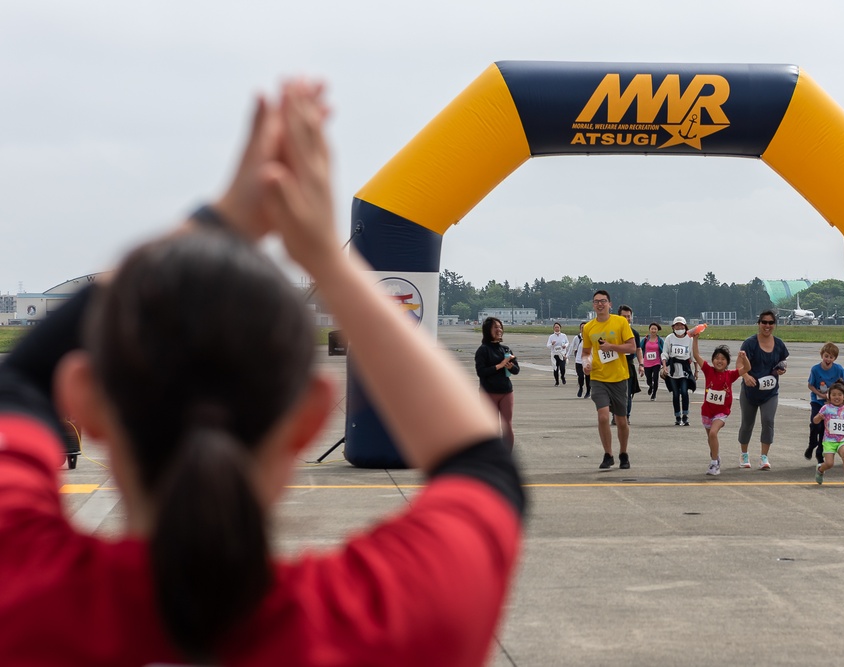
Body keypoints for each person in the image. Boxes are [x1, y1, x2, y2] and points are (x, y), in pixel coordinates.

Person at [0, 81, 524, 667]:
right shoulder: (383, 621)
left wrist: (221, 217)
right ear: (309, 418)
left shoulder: (23, 588)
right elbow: (482, 465)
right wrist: (328, 256)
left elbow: (16, 386)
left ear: (85, 401)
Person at [582, 290, 636, 470]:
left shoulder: (620, 322)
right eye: (596, 301)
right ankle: (608, 454)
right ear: (593, 305)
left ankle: (623, 453)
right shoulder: (589, 327)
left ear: (610, 304)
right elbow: (586, 353)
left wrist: (611, 346)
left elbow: (632, 347)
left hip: (619, 377)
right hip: (598, 377)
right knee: (603, 416)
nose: (600, 304)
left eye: (603, 301)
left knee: (621, 420)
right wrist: (586, 363)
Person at [738, 309, 790, 470]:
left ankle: (764, 457)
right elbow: (739, 365)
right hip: (750, 391)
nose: (767, 326)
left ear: (774, 325)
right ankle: (744, 454)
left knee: (768, 421)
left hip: (770, 392)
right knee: (747, 423)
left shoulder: (779, 344)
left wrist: (782, 369)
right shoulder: (749, 343)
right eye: (764, 322)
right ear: (759, 324)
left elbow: (783, 361)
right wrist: (746, 376)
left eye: (771, 323)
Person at [692, 333, 749, 476]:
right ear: (712, 360)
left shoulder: (730, 375)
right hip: (707, 411)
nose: (719, 361)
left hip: (721, 412)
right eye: (717, 358)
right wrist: (695, 339)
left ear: (727, 362)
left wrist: (744, 358)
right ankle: (715, 456)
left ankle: (714, 463)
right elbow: (696, 355)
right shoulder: (708, 370)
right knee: (710, 438)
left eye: (723, 359)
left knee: (713, 432)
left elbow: (747, 369)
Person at [475, 317, 520, 449]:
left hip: (506, 392)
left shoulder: (506, 350)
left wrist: (510, 366)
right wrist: (500, 365)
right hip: (489, 392)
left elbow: (517, 370)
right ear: (488, 330)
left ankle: (506, 457)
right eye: (495, 327)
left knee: (507, 426)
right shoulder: (483, 350)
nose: (499, 330)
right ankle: (492, 457)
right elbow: (481, 372)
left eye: (500, 327)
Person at [805, 342, 844, 460]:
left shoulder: (838, 369)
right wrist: (820, 394)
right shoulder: (815, 369)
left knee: (826, 428)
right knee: (816, 424)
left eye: (831, 357)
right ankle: (812, 444)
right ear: (822, 355)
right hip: (818, 401)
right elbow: (810, 385)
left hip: (832, 404)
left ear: (834, 358)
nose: (828, 359)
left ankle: (820, 452)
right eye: (826, 356)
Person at [662, 316, 699, 426]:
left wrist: (696, 371)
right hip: (673, 370)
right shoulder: (669, 338)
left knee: (684, 391)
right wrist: (664, 366)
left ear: (685, 326)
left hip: (685, 370)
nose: (679, 327)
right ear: (673, 327)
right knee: (675, 394)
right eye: (677, 325)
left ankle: (685, 415)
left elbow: (694, 355)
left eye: (681, 325)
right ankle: (677, 416)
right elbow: (665, 353)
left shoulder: (689, 338)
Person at [615, 305, 642, 424]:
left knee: (628, 392)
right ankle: (616, 415)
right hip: (615, 364)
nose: (626, 319)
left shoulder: (634, 333)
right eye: (624, 316)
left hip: (629, 364)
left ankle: (627, 415)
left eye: (628, 316)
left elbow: (638, 349)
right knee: (615, 392)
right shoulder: (613, 332)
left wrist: (641, 364)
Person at [639, 323, 664, 401]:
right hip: (647, 363)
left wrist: (664, 362)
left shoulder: (659, 340)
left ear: (657, 330)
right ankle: (650, 386)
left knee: (656, 378)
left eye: (655, 329)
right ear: (649, 330)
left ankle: (654, 394)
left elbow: (664, 351)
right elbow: (639, 348)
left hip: (656, 362)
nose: (653, 330)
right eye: (652, 329)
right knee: (648, 379)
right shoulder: (645, 339)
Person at [566, 322, 590, 398]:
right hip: (579, 360)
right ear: (580, 329)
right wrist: (567, 356)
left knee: (588, 377)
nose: (583, 329)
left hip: (588, 361)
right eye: (582, 328)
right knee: (580, 376)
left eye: (585, 327)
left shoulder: (590, 337)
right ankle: (580, 387)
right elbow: (571, 346)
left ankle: (588, 391)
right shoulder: (577, 338)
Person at [546, 322, 569, 387]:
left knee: (562, 367)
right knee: (555, 369)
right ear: (553, 328)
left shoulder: (564, 335)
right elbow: (548, 346)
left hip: (562, 354)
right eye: (555, 327)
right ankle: (557, 381)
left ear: (560, 328)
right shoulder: (551, 337)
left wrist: (565, 346)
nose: (557, 328)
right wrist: (552, 344)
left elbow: (567, 342)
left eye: (558, 327)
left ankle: (562, 376)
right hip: (555, 355)